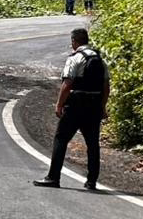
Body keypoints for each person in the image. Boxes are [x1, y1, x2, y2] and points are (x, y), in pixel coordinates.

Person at [34, 28, 110, 190]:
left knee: (61, 139)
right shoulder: (100, 60)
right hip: (94, 104)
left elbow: (67, 84)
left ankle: (53, 177)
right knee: (92, 143)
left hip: (76, 104)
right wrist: (102, 106)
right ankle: (91, 181)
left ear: (74, 41)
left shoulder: (75, 58)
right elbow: (106, 86)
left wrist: (59, 104)